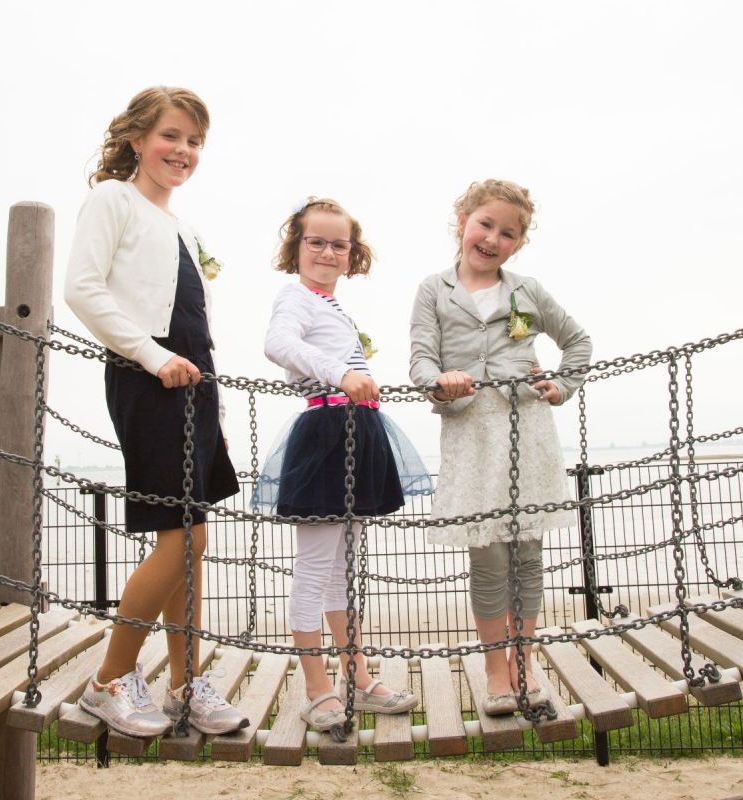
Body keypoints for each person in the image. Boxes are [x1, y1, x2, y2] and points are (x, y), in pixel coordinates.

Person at [64, 86, 246, 738]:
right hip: (149, 380)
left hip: (194, 386)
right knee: (186, 537)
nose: (183, 150)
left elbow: (194, 321)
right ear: (137, 139)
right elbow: (81, 289)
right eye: (171, 135)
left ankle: (185, 684)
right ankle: (110, 678)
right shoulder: (112, 199)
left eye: (194, 141)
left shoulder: (183, 228)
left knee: (191, 540)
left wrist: (212, 407)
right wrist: (149, 354)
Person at [409, 179, 592, 715]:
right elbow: (419, 360)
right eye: (485, 224)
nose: (492, 238)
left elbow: (578, 342)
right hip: (470, 434)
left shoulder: (528, 290)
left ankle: (525, 664)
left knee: (528, 558)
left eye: (506, 233)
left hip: (527, 431)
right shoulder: (432, 289)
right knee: (488, 559)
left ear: (518, 244)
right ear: (462, 219)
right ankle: (495, 671)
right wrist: (440, 380)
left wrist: (561, 387)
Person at [253, 198, 431, 731]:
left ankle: (356, 677)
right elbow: (277, 344)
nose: (328, 252)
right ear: (297, 248)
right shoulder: (296, 297)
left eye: (339, 244)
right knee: (313, 571)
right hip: (328, 432)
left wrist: (349, 375)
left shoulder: (329, 305)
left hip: (357, 430)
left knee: (341, 571)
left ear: (352, 255)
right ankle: (316, 687)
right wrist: (339, 373)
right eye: (316, 242)